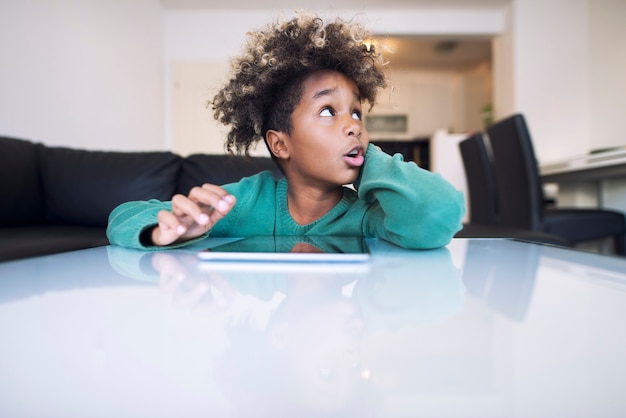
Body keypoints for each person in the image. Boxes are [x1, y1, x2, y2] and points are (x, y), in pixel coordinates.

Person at [106, 11, 465, 251]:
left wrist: (370, 159)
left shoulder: (367, 216)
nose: (354, 124)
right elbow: (123, 216)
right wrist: (163, 232)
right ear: (280, 143)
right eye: (328, 110)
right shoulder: (245, 201)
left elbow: (440, 214)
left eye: (357, 112)